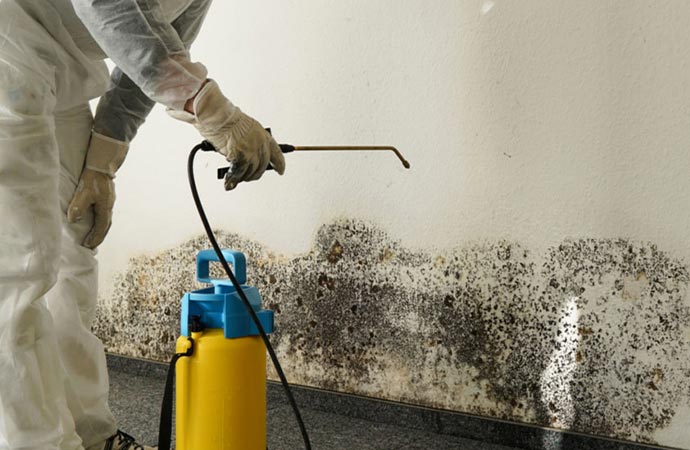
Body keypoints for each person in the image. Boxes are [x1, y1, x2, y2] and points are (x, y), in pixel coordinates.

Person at [0, 0, 285, 449]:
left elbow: (153, 49)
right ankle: (37, 442)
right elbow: (105, 4)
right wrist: (213, 110)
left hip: (59, 74)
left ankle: (92, 435)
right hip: (8, 47)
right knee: (19, 269)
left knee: (75, 255)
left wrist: (101, 164)